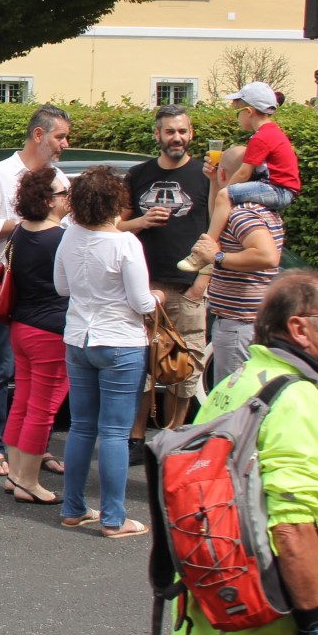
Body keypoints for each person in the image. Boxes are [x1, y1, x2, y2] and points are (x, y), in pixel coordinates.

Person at [169, 270, 318, 635]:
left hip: (243, 610)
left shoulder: (239, 383)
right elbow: (292, 529)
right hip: (291, 628)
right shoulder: (295, 400)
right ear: (300, 329)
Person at [0, 104, 71, 477]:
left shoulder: (59, 177)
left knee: (45, 376)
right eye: (60, 136)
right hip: (12, 283)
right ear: (38, 135)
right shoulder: (1, 175)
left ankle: (35, 448)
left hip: (53, 289)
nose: (64, 144)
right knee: (2, 369)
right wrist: (24, 224)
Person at [53, 166, 158, 538]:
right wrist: (157, 298)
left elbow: (62, 288)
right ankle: (113, 518)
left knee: (81, 427)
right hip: (120, 341)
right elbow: (141, 301)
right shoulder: (125, 243)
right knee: (114, 433)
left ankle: (74, 507)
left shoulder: (69, 237)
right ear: (116, 203)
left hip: (78, 337)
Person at [119, 103, 211, 431]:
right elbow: (115, 226)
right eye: (170, 131)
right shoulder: (139, 175)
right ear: (157, 134)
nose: (177, 137)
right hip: (145, 285)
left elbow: (218, 233)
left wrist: (203, 279)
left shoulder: (205, 176)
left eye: (183, 131)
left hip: (188, 288)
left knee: (184, 368)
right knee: (142, 366)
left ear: (191, 134)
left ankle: (173, 437)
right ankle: (136, 437)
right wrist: (142, 221)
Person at [0, 167, 72, 504]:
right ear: (47, 200)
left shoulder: (21, 232)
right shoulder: (59, 239)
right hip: (50, 331)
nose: (67, 198)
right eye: (62, 193)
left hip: (22, 325)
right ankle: (29, 481)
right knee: (42, 410)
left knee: (22, 404)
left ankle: (16, 475)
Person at [190, 144, 285, 387]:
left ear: (226, 174)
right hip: (247, 322)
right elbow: (218, 222)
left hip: (239, 325)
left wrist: (218, 258)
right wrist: (214, 182)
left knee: (234, 404)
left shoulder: (242, 214)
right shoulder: (256, 208)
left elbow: (267, 256)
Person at [183, 80, 301, 270]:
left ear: (249, 112)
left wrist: (227, 190)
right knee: (226, 197)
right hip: (281, 189)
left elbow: (244, 172)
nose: (237, 118)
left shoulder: (261, 137)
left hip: (279, 190)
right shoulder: (272, 132)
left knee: (225, 195)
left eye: (238, 112)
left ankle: (205, 248)